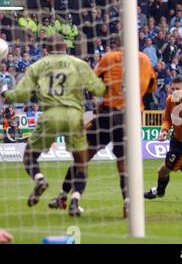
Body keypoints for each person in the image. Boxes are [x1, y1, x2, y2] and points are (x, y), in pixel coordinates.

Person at [1, 35, 105, 217]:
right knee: (81, 162)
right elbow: (98, 89)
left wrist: (5, 93)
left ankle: (40, 180)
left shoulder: (38, 66)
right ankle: (74, 202)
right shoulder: (78, 63)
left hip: (50, 115)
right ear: (66, 46)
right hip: (74, 115)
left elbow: (21, 95)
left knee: (29, 157)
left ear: (46, 49)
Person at [48, 46, 157, 218]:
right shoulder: (144, 59)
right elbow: (152, 87)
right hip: (130, 118)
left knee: (83, 158)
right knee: (124, 165)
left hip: (107, 114)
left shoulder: (109, 57)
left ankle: (68, 199)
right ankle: (128, 205)